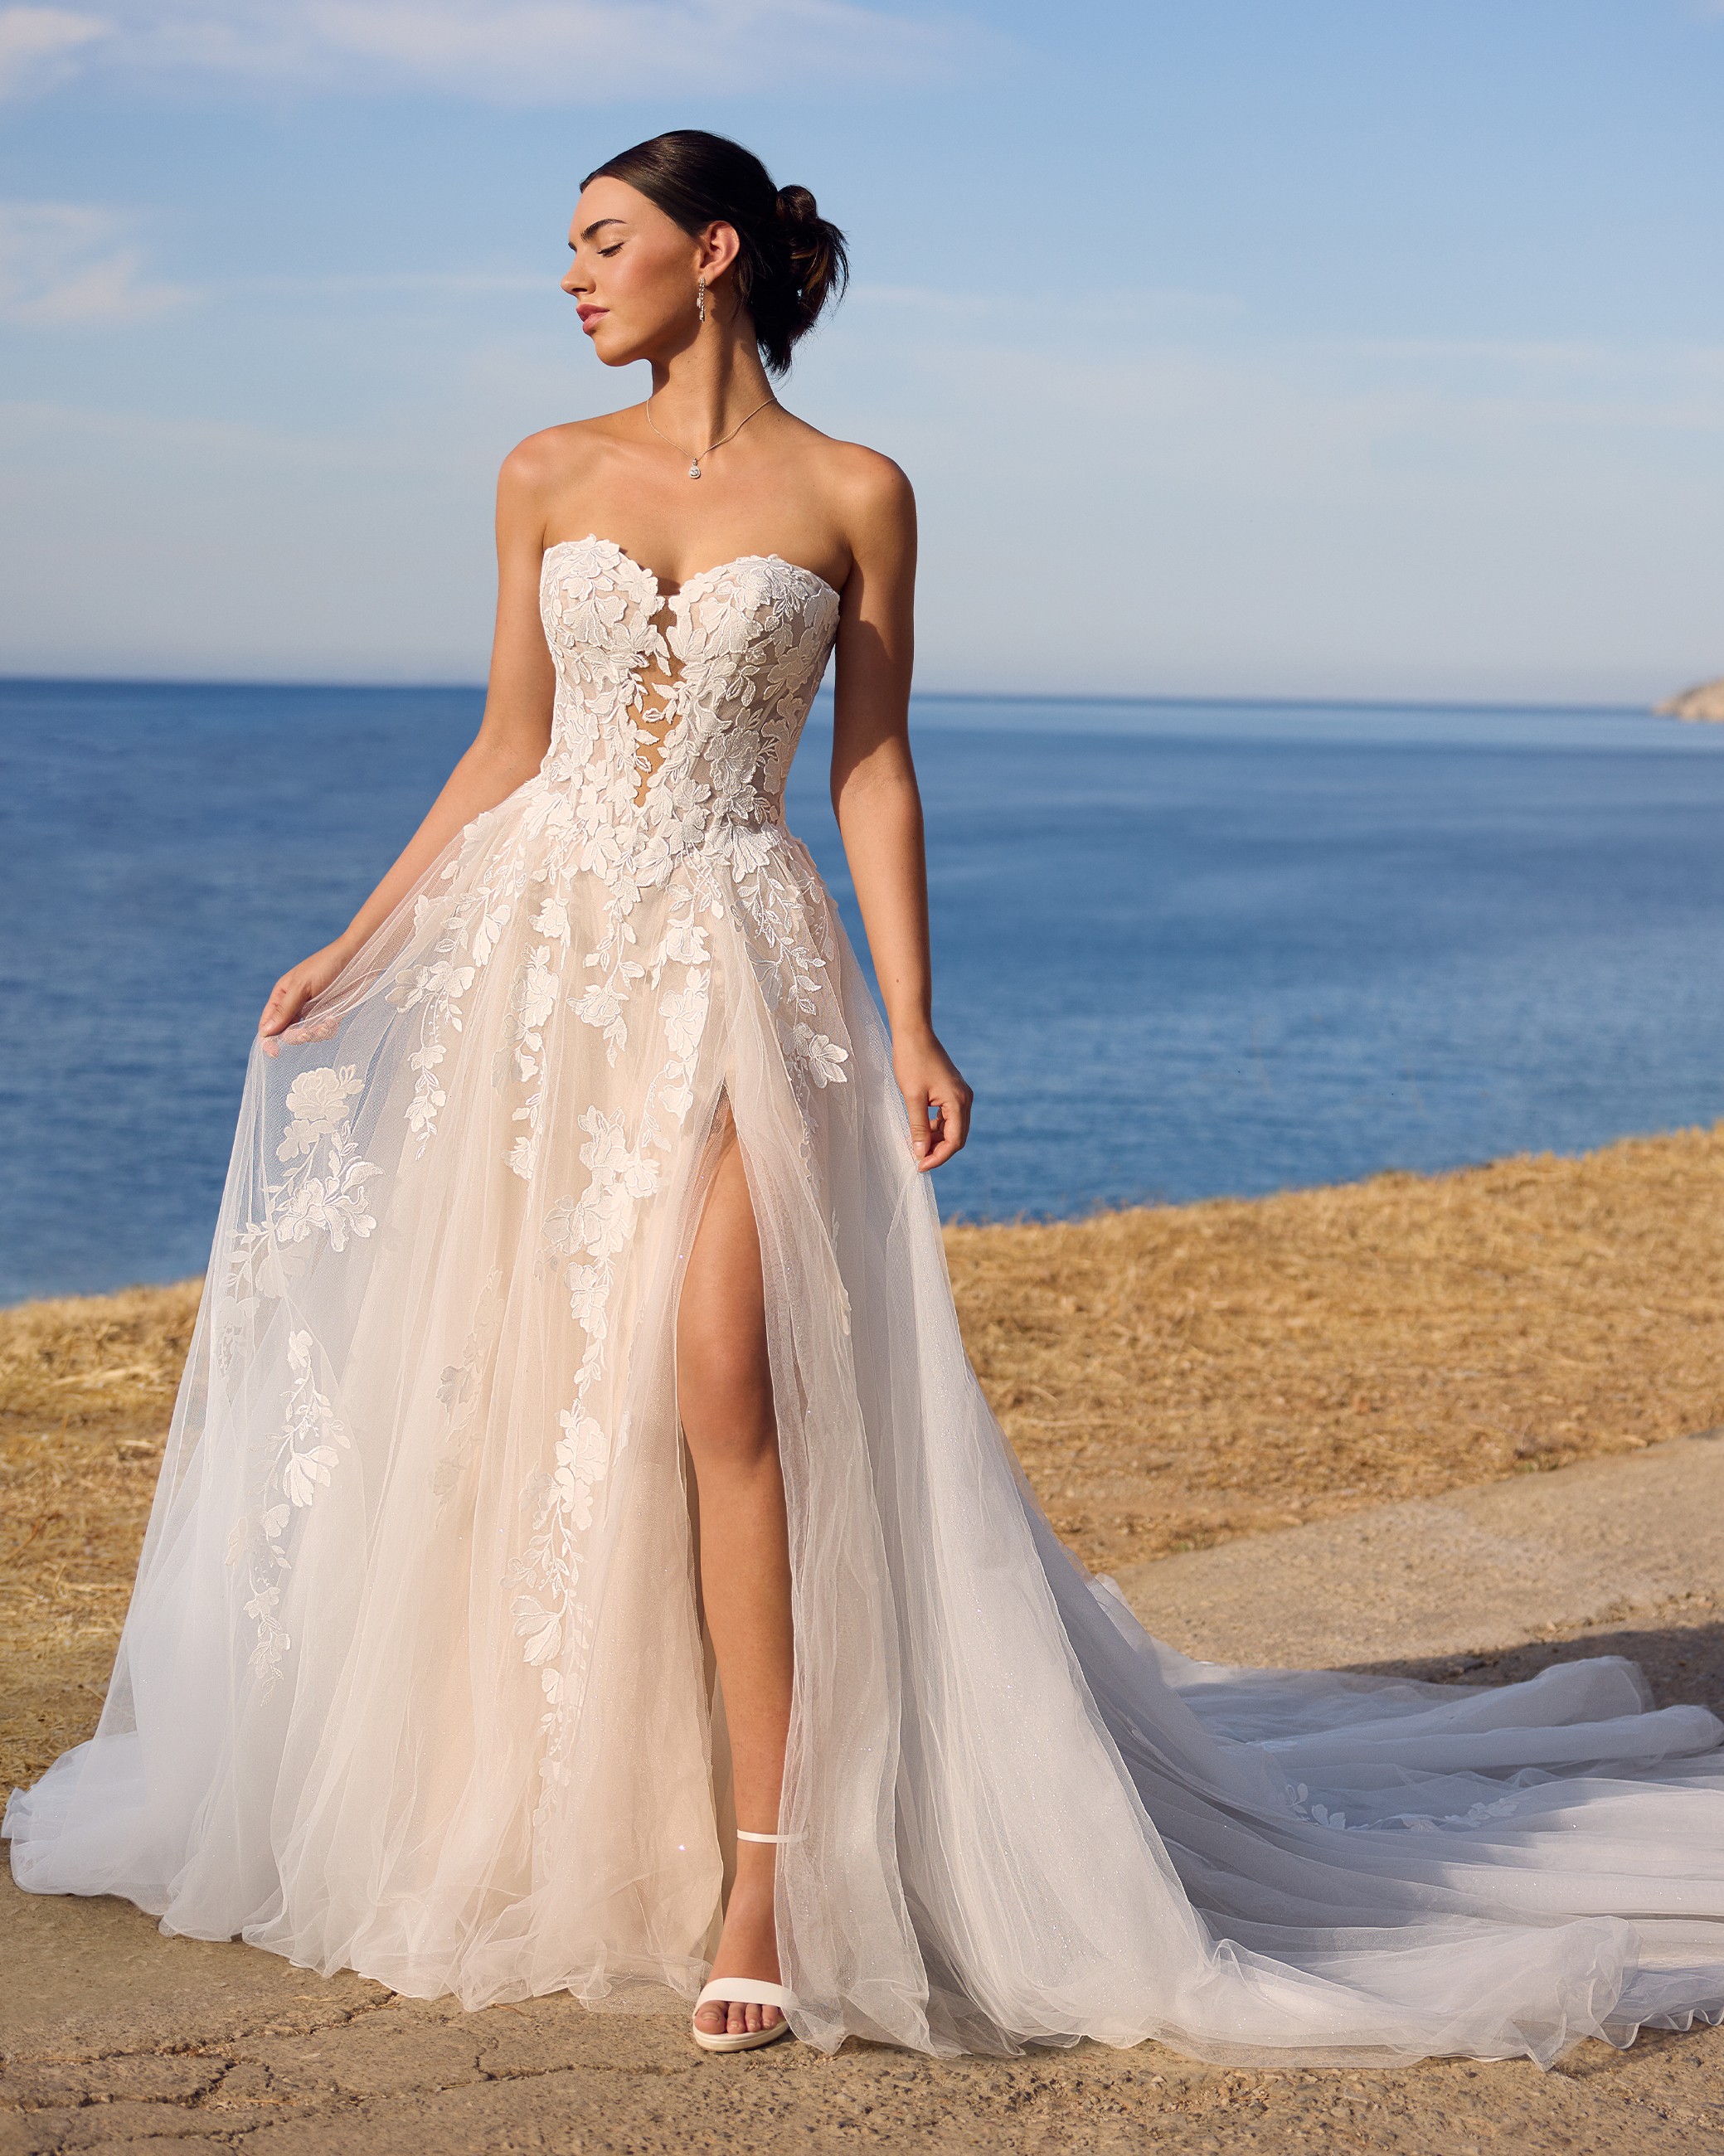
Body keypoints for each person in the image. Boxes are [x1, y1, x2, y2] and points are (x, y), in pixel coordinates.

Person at [10, 128, 1724, 2069]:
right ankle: (531, 1805)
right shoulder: (537, 470)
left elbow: (873, 769)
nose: (570, 279)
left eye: (601, 242)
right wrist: (356, 938)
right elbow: (507, 742)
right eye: (566, 251)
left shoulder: (855, 491)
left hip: (741, 961)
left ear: (710, 252)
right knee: (542, 1387)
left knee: (728, 1370)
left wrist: (914, 1017)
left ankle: (762, 1876)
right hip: (539, 971)